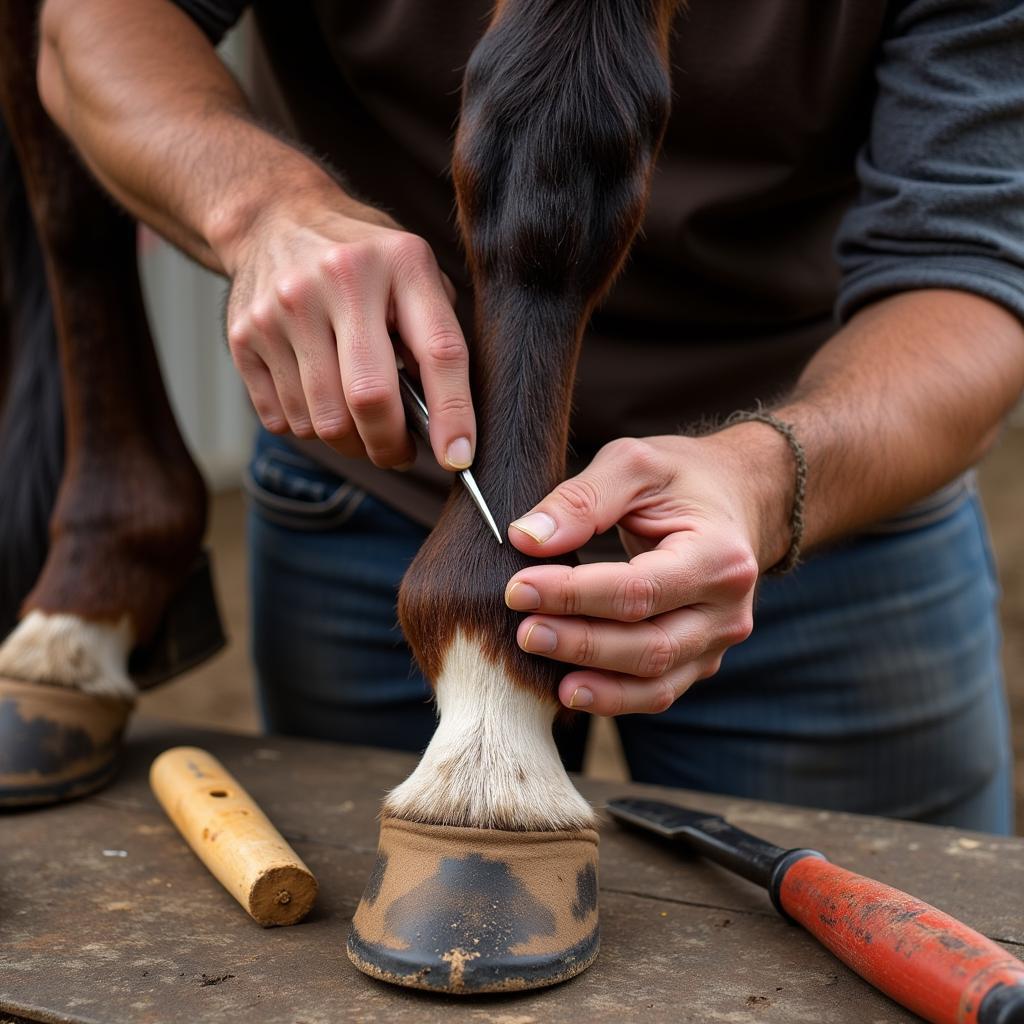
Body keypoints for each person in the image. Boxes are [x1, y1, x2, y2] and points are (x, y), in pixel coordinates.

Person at [37, 0, 1024, 832]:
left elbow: (971, 272)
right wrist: (262, 208)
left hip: (813, 512)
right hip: (382, 495)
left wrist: (772, 480)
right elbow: (90, 25)